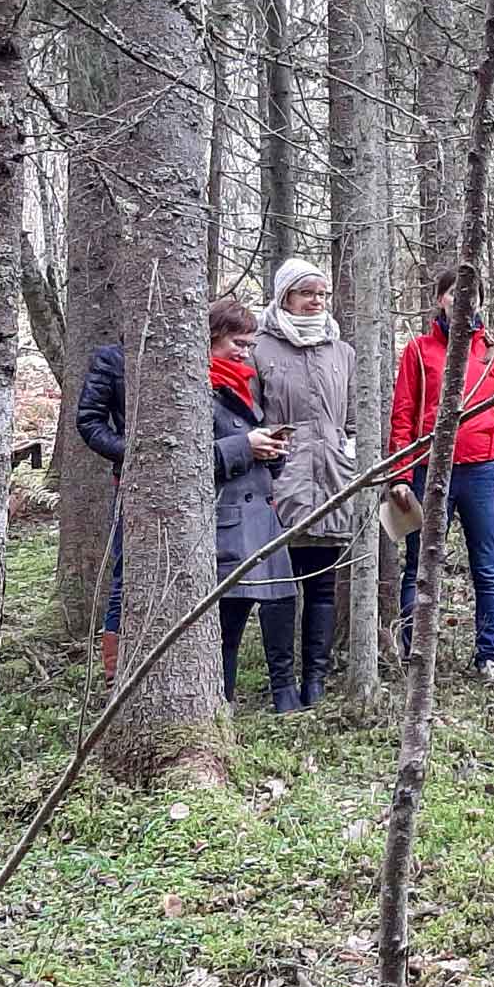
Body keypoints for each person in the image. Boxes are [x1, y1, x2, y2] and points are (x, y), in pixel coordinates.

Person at [389, 268, 494, 687]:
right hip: (428, 471)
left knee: (488, 566)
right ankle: (417, 656)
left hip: (485, 471)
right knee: (419, 565)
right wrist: (400, 473)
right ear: (440, 300)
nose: (461, 301)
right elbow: (403, 414)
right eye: (452, 293)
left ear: (481, 302)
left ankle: (490, 656)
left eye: (470, 295)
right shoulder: (417, 352)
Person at [251, 259, 358, 708]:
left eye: (322, 294)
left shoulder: (342, 351)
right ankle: (282, 683)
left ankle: (316, 677)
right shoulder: (260, 348)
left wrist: (347, 457)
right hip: (280, 480)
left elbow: (351, 419)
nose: (316, 302)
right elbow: (250, 415)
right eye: (306, 293)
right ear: (285, 297)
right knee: (278, 584)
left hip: (332, 478)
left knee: (321, 583)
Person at [208, 296, 298, 710]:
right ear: (212, 338)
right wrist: (244, 446)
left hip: (263, 511)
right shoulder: (197, 388)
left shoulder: (242, 383)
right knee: (230, 616)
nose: (244, 352)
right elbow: (189, 461)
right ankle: (221, 700)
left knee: (282, 602)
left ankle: (285, 695)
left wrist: (272, 451)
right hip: (227, 516)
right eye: (236, 343)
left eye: (249, 344)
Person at [74, 336, 128, 679]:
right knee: (126, 573)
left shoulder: (201, 352)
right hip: (131, 481)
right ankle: (115, 671)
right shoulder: (112, 359)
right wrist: (130, 451)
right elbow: (89, 420)